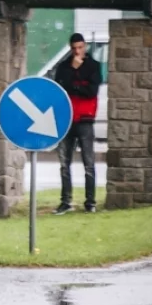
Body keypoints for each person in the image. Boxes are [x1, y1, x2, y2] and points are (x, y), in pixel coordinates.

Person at [53, 32, 103, 214]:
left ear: (85, 47)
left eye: (80, 48)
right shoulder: (63, 67)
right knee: (64, 163)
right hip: (67, 120)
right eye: (74, 48)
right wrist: (73, 74)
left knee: (88, 163)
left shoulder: (93, 66)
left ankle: (90, 202)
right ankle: (65, 201)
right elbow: (59, 87)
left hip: (85, 120)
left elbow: (91, 91)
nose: (77, 51)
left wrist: (75, 77)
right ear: (70, 48)